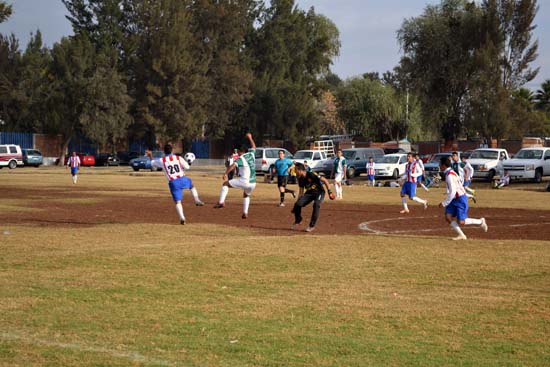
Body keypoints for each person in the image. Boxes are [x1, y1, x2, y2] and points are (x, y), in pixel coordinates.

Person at [148, 144, 204, 225]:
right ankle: (197, 200)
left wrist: (150, 155)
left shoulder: (162, 160)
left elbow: (152, 163)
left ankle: (182, 217)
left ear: (164, 151)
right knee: (191, 186)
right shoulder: (178, 158)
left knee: (178, 202)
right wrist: (190, 162)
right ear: (172, 151)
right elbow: (187, 167)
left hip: (173, 182)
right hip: (182, 178)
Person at [438, 156, 488, 240]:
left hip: (460, 199)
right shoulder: (450, 172)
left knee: (461, 221)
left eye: (440, 164)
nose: (439, 165)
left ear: (443, 165)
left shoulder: (450, 175)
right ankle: (462, 235)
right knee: (448, 217)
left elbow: (453, 191)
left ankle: (481, 222)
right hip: (454, 199)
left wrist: (444, 203)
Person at [214, 133, 256, 219]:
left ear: (241, 151)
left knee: (225, 184)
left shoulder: (241, 158)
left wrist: (225, 173)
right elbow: (254, 146)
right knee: (246, 195)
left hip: (244, 181)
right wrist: (250, 138)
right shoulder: (251, 155)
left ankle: (221, 202)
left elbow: (233, 165)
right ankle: (245, 213)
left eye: (238, 151)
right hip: (253, 182)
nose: (238, 153)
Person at [291, 162, 333, 232]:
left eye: (296, 170)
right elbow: (301, 192)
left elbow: (325, 180)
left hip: (319, 192)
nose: (295, 172)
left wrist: (330, 192)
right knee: (297, 204)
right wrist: (297, 204)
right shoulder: (300, 179)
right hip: (309, 193)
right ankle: (298, 220)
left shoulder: (311, 174)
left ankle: (311, 226)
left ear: (300, 170)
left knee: (316, 205)